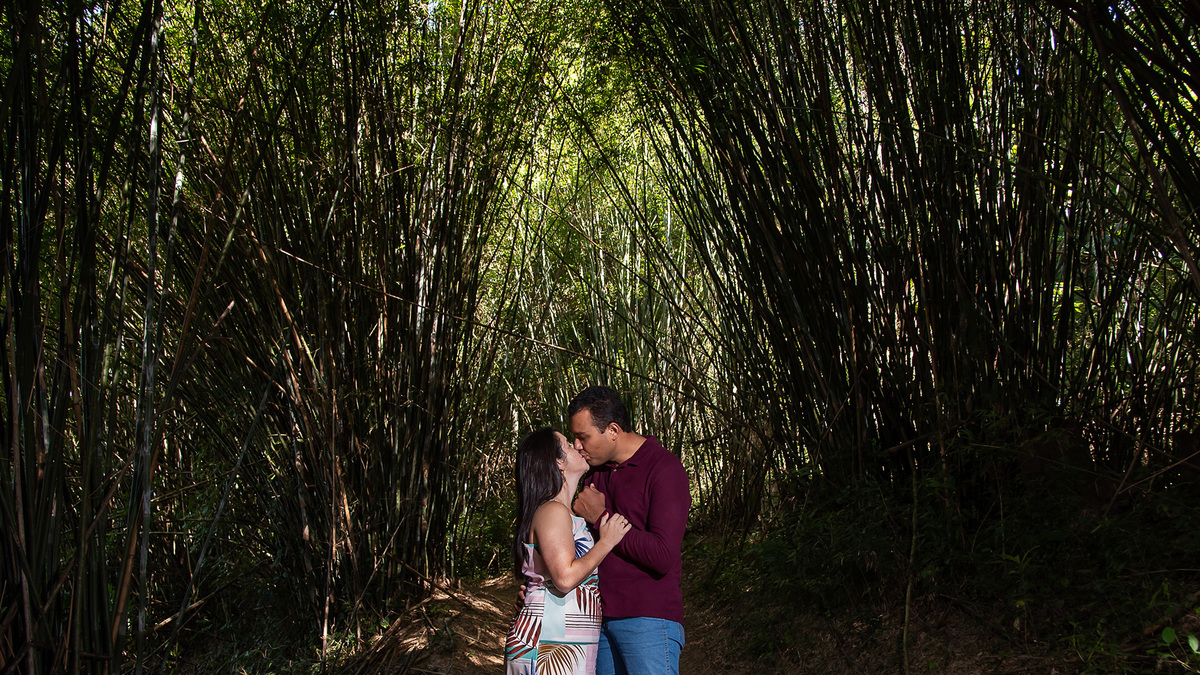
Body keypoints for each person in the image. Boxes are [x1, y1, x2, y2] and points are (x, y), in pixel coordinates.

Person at [569, 386, 691, 675]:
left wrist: (600, 517)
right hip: (596, 620)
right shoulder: (595, 473)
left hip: (647, 619)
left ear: (613, 430)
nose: (576, 446)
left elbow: (662, 555)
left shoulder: (664, 468)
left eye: (583, 437)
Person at [505, 427, 632, 675]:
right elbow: (564, 578)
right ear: (558, 463)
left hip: (564, 643)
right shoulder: (552, 510)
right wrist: (606, 542)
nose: (578, 446)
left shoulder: (564, 514)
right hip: (550, 644)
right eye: (568, 445)